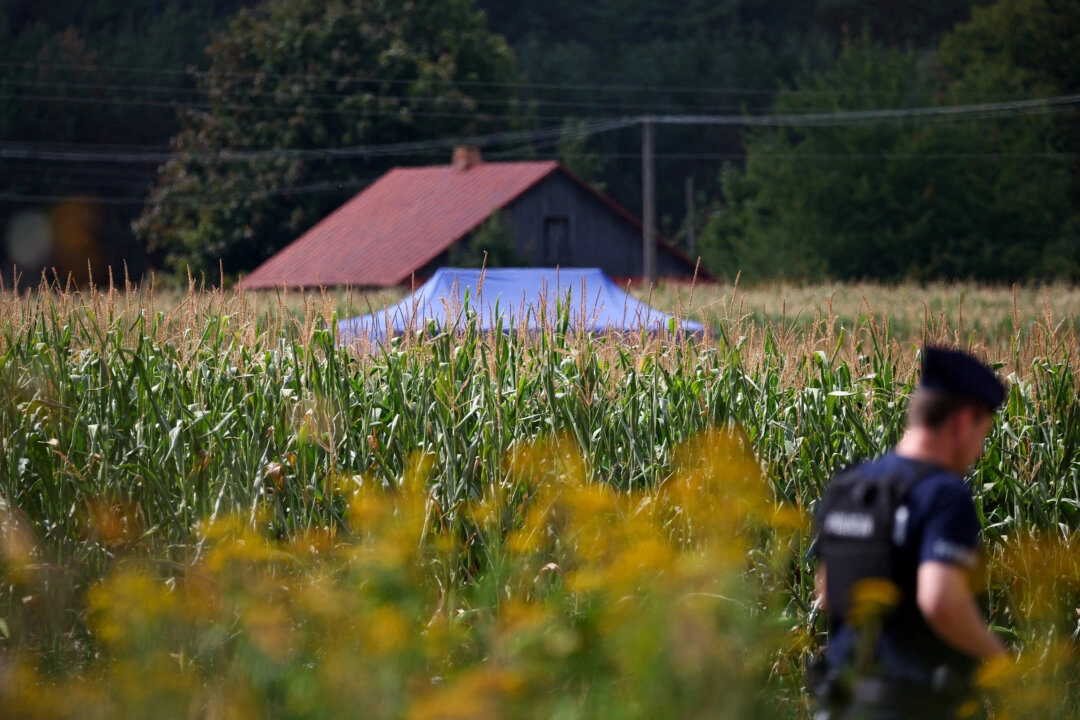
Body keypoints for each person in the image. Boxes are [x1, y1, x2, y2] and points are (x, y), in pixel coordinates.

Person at [811, 346, 1008, 719]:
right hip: (914, 704)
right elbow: (940, 601)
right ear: (962, 422)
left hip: (842, 702)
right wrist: (1000, 663)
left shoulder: (850, 486)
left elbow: (826, 593)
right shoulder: (943, 494)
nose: (979, 451)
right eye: (983, 433)